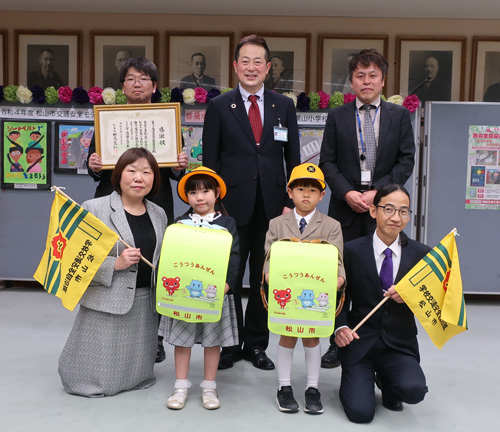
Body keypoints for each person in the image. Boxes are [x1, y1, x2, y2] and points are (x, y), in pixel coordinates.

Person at [203, 34, 300, 371]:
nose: (251, 67)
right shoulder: (219, 106)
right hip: (230, 205)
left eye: (258, 61)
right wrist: (210, 205)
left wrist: (294, 203)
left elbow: (295, 160)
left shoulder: (283, 106)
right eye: (245, 61)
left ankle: (257, 345)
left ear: (268, 67)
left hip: (274, 206)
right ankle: (229, 343)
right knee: (228, 274)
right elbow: (210, 162)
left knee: (264, 275)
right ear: (235, 66)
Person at [319, 48, 415, 368]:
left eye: (373, 75)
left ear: (383, 80)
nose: (366, 81)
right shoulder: (337, 116)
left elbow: (406, 160)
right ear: (351, 81)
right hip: (345, 208)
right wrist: (347, 192)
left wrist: (379, 194)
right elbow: (327, 162)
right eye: (360, 75)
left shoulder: (399, 116)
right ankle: (338, 337)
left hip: (384, 208)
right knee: (341, 274)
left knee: (379, 272)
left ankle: (379, 336)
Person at [87, 57, 188, 363]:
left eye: (144, 79)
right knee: (114, 263)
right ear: (122, 87)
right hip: (113, 202)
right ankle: (110, 326)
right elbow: (97, 164)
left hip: (155, 202)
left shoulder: (167, 119)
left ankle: (153, 338)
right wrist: (92, 165)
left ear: (154, 86)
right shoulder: (108, 119)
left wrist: (181, 166)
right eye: (130, 79)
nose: (137, 84)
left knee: (154, 265)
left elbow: (174, 171)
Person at [58, 147, 169, 397]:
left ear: (154, 179)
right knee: (100, 361)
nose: (139, 178)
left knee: (137, 360)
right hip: (107, 296)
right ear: (118, 175)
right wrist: (115, 264)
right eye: (131, 171)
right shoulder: (95, 209)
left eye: (146, 172)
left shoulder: (158, 213)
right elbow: (74, 258)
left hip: (145, 300)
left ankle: (135, 378)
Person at [334, 184, 430, 423]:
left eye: (404, 211)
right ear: (373, 211)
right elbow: (337, 298)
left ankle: (388, 382)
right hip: (359, 342)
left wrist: (412, 295)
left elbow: (433, 298)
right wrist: (340, 328)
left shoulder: (422, 254)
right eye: (389, 209)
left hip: (399, 344)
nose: (396, 217)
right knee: (360, 413)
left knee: (414, 391)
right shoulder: (352, 250)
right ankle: (358, 379)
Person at [264, 163, 346, 414]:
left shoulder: (331, 225)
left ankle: (313, 388)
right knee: (286, 335)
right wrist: (268, 277)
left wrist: (339, 281)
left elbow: (338, 260)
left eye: (313, 190)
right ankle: (284, 387)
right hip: (286, 294)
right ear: (290, 192)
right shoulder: (277, 224)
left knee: (312, 336)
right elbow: (268, 258)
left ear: (322, 195)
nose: (306, 194)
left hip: (316, 295)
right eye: (300, 188)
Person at [160, 166, 239, 410]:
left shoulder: (227, 223)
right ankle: (181, 386)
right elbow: (171, 256)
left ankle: (209, 386)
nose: (200, 197)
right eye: (193, 193)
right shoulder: (180, 223)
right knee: (182, 341)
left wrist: (226, 285)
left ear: (217, 193)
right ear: (186, 196)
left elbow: (234, 256)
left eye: (205, 191)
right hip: (184, 294)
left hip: (216, 294)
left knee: (212, 341)